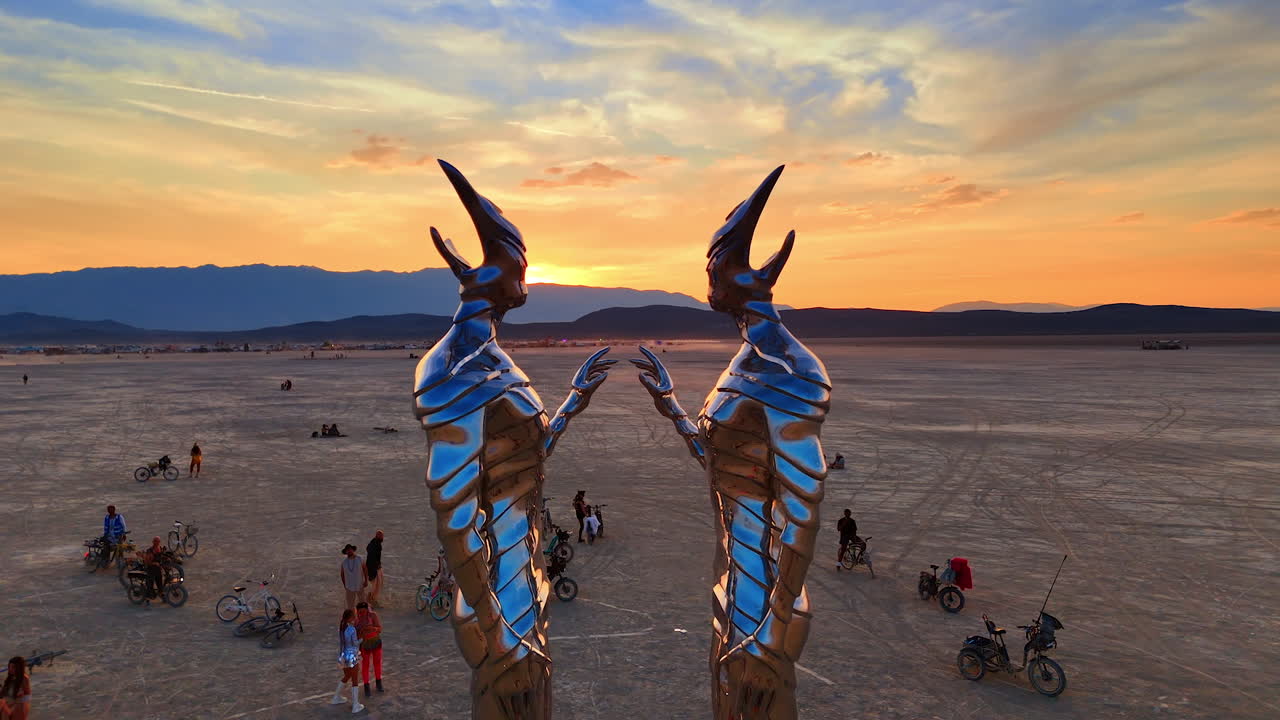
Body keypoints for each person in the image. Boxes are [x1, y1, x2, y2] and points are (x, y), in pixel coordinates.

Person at [329, 609, 364, 713]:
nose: (356, 617)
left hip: (344, 655)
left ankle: (336, 697)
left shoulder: (342, 627)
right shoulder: (352, 629)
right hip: (352, 655)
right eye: (355, 616)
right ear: (351, 618)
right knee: (354, 679)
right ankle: (355, 705)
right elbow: (355, 643)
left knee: (347, 676)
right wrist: (363, 638)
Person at [355, 601, 384, 696]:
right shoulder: (357, 620)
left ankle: (378, 683)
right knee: (365, 666)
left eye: (364, 611)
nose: (362, 613)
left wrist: (373, 629)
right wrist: (362, 632)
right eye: (360, 612)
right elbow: (356, 636)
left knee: (377, 663)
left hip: (375, 641)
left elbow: (379, 628)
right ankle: (366, 686)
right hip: (365, 644)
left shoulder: (373, 615)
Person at [0, 656, 31, 720]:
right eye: (9, 667)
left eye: (13, 667)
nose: (10, 669)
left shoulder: (24, 678)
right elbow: (5, 693)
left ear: (18, 668)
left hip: (19, 705)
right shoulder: (11, 677)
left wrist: (20, 695)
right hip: (9, 703)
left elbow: (27, 696)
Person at [340, 544, 368, 610]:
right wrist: (345, 585)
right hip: (349, 587)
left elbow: (365, 569)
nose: (349, 551)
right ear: (346, 552)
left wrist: (366, 580)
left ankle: (363, 618)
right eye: (347, 550)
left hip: (360, 585)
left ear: (353, 550)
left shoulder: (359, 558)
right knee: (350, 606)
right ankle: (352, 619)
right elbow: (342, 575)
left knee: (363, 604)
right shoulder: (344, 562)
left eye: (350, 549)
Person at [142, 536, 166, 602]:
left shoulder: (160, 548)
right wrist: (154, 563)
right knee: (150, 584)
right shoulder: (150, 551)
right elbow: (147, 562)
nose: (157, 543)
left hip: (158, 570)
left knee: (160, 583)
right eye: (155, 541)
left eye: (158, 541)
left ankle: (161, 595)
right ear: (153, 542)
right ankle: (147, 599)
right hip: (151, 569)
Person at [365, 531, 384, 608]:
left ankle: (372, 599)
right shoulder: (375, 544)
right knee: (376, 585)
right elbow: (371, 558)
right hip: (373, 568)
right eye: (381, 536)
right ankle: (371, 600)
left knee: (377, 584)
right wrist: (375, 568)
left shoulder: (374, 543)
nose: (383, 538)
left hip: (375, 567)